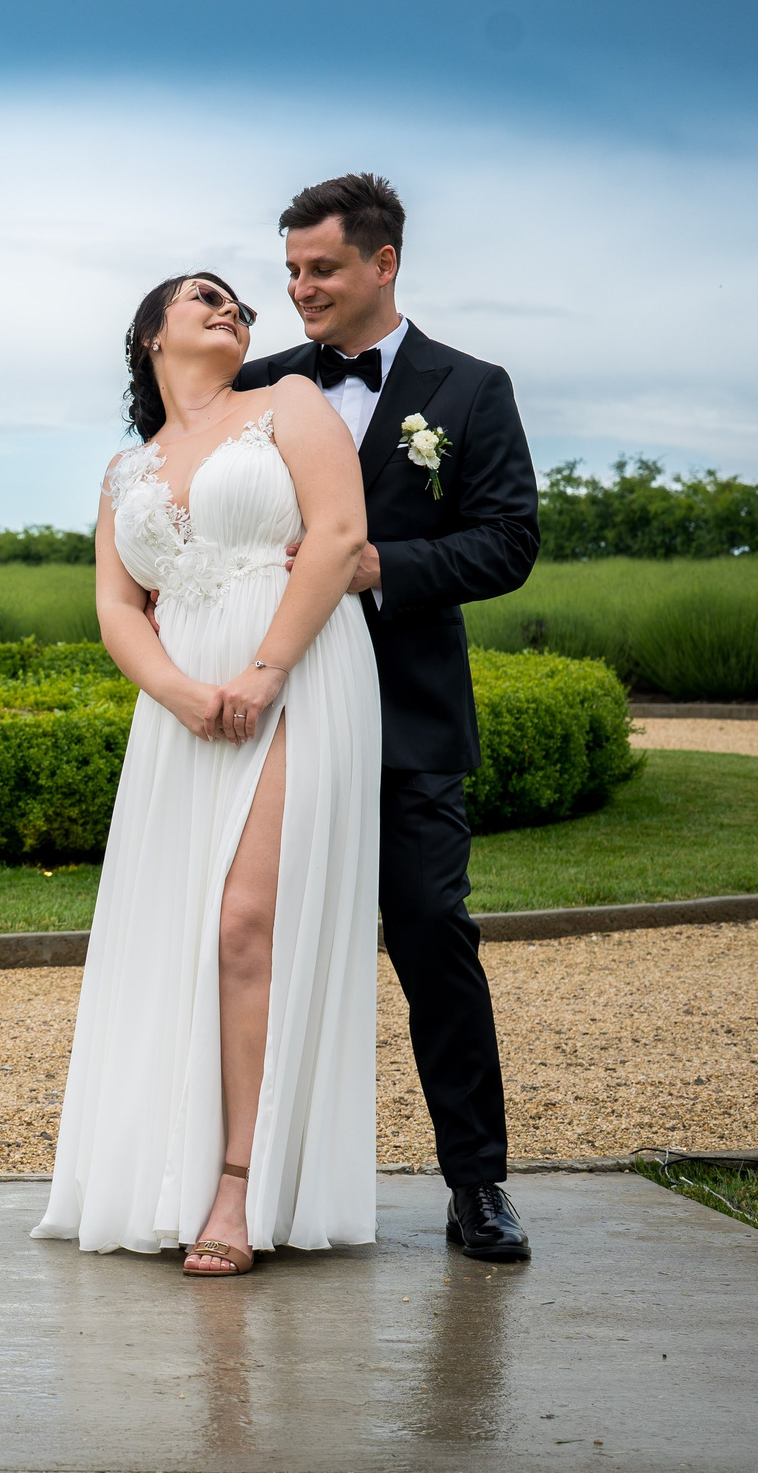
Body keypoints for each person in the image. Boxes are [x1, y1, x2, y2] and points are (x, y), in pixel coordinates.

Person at [31, 267, 382, 1277]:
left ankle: (239, 1184)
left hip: (300, 670)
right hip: (181, 705)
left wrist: (266, 668)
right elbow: (113, 607)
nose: (233, 310)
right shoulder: (122, 470)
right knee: (177, 932)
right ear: (151, 336)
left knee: (244, 924)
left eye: (240, 304)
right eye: (205, 298)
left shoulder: (288, 405)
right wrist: (180, 693)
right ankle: (158, 1174)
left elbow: (339, 536)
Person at [236, 173, 540, 1264]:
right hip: (276, 716)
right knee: (250, 945)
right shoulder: (261, 385)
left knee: (431, 937)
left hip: (407, 722)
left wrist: (380, 566)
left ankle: (479, 1186)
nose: (300, 290)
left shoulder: (469, 390)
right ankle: (243, 1190)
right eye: (290, 272)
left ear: (383, 264)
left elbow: (507, 542)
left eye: (320, 270)